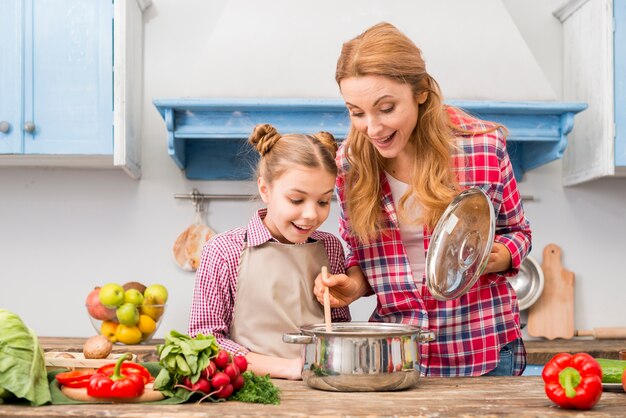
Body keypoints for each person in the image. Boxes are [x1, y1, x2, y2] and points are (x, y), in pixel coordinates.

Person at [314, 22, 532, 377]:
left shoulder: (481, 148)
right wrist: (352, 285)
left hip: (482, 349)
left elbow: (518, 231)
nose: (372, 128)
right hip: (397, 355)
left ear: (420, 92)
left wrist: (501, 255)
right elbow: (360, 253)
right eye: (356, 112)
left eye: (386, 108)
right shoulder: (348, 165)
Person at [189, 123, 351, 380]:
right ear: (265, 190)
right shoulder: (223, 251)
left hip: (322, 388)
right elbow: (205, 341)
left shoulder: (330, 248)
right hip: (247, 388)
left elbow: (339, 328)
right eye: (296, 200)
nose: (311, 215)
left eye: (323, 201)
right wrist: (290, 368)